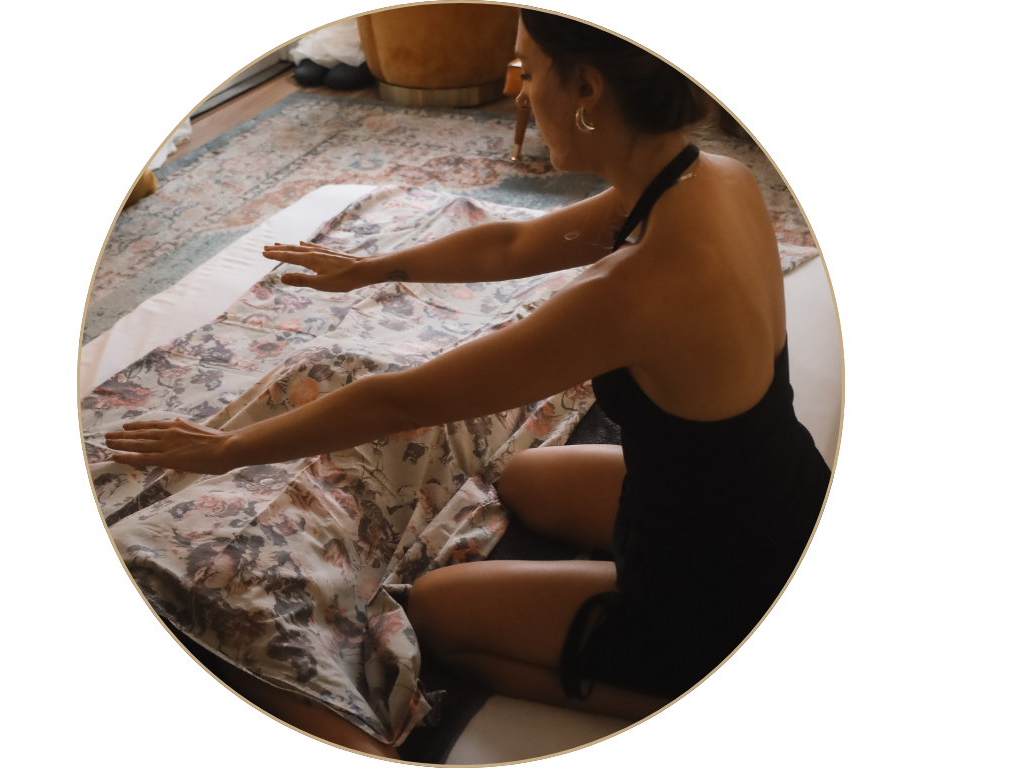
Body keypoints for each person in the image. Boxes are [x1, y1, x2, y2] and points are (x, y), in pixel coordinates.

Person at [104, 9, 832, 761]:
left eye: (527, 71)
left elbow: (405, 399)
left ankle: (688, 686)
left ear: (586, 86)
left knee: (442, 617)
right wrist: (374, 267)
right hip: (776, 495)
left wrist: (228, 448)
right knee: (524, 476)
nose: (518, 94)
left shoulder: (632, 290)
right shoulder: (714, 177)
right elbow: (516, 241)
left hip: (717, 588)